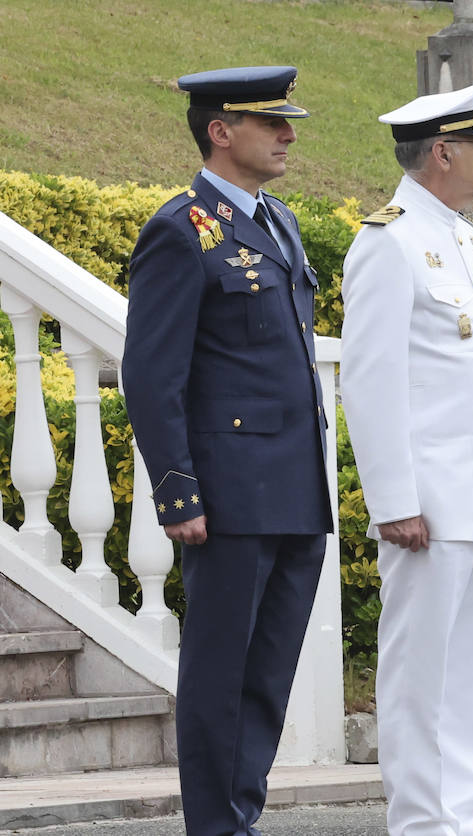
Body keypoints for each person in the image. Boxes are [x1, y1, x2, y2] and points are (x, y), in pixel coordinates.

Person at [123, 66, 331, 836]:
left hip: (292, 489)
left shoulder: (277, 220)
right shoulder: (181, 229)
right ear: (220, 130)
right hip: (230, 493)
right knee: (220, 676)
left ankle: (240, 816)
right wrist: (179, 493)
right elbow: (152, 374)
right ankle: (215, 826)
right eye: (271, 123)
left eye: (287, 122)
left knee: (268, 676)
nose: (289, 135)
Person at [341, 80, 473, 835]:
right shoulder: (388, 240)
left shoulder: (463, 236)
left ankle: (461, 816)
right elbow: (371, 379)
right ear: (442, 151)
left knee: (470, 673)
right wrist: (394, 501)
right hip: (430, 501)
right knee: (420, 673)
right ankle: (420, 823)